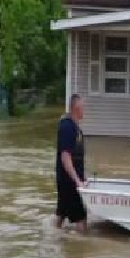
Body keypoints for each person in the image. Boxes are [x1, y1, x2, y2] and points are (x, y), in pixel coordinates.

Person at [54, 94, 88, 231]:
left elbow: (76, 157)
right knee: (81, 219)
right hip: (69, 181)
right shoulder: (68, 127)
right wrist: (77, 181)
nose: (85, 110)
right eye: (83, 107)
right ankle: (81, 243)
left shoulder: (75, 127)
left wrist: (83, 178)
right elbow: (65, 156)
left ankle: (54, 237)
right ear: (77, 108)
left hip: (69, 180)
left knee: (61, 214)